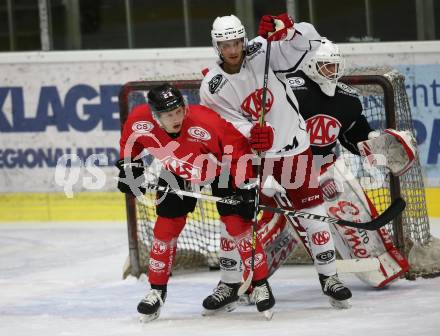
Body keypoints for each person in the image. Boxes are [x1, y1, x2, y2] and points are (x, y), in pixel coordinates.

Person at [199, 13, 352, 312]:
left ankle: (329, 277)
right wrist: (248, 134)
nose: (232, 49)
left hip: (292, 148)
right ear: (216, 46)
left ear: (243, 39)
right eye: (225, 44)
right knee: (234, 219)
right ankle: (229, 283)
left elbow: (310, 43)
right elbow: (222, 123)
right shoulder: (212, 86)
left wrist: (290, 30)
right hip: (249, 158)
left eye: (236, 42)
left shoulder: (263, 49)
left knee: (312, 212)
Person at [116, 83, 275, 322]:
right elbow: (131, 144)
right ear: (156, 116)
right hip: (177, 170)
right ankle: (157, 291)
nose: (176, 117)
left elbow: (238, 149)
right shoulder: (140, 120)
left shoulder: (204, 121)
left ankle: (261, 284)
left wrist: (245, 187)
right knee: (165, 227)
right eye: (169, 115)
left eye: (179, 111)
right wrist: (131, 169)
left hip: (222, 169)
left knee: (237, 224)